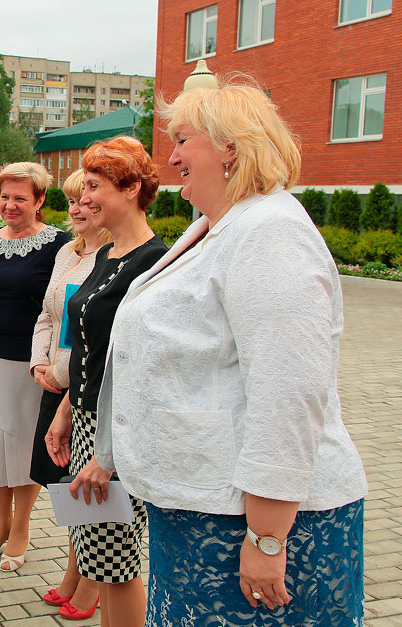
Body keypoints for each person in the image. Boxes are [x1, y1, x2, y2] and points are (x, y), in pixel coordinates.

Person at [90, 78, 369, 626]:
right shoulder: (219, 227)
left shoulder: (270, 232)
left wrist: (266, 538)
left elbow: (288, 393)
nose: (172, 158)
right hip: (205, 506)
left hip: (258, 522)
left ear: (230, 148)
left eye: (182, 141)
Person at [46, 136, 167, 627]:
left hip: (116, 429)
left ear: (132, 188)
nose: (85, 197)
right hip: (85, 420)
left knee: (116, 563)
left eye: (95, 186)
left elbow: (146, 370)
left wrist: (108, 454)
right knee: (97, 555)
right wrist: (65, 412)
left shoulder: (154, 263)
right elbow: (89, 351)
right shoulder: (107, 254)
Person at [0, 162, 70, 572]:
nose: (9, 205)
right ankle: (0, 523)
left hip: (32, 365)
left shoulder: (60, 246)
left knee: (25, 445)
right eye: (4, 197)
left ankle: (21, 527)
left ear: (40, 200)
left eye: (20, 198)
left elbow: (62, 308)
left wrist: (56, 364)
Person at [29, 169, 111, 620]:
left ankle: (92, 583)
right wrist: (38, 363)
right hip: (55, 385)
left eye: (85, 199)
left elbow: (96, 340)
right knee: (65, 488)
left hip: (85, 391)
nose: (76, 209)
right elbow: (46, 315)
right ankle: (73, 573)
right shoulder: (67, 252)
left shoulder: (115, 258)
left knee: (88, 492)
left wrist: (62, 378)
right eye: (72, 201)